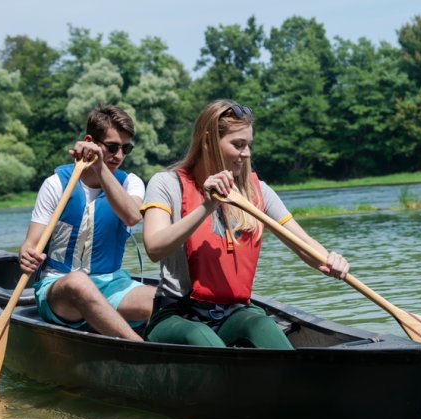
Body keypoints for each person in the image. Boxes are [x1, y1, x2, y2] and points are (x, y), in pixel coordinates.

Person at [140, 99, 350, 348]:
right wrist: (207, 206)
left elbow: (304, 244)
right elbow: (154, 248)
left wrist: (329, 260)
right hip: (176, 314)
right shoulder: (165, 184)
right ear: (208, 142)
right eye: (238, 145)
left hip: (233, 313)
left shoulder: (257, 191)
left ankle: (295, 382)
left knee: (261, 324)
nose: (247, 153)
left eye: (248, 145)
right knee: (200, 337)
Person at [18, 104, 155, 341]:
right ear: (90, 141)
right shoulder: (55, 184)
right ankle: (140, 348)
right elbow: (30, 245)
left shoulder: (131, 183)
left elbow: (132, 215)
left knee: (165, 302)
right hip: (60, 289)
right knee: (79, 283)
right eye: (112, 147)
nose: (119, 156)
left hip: (112, 284)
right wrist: (26, 255)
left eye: (126, 148)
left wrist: (101, 167)